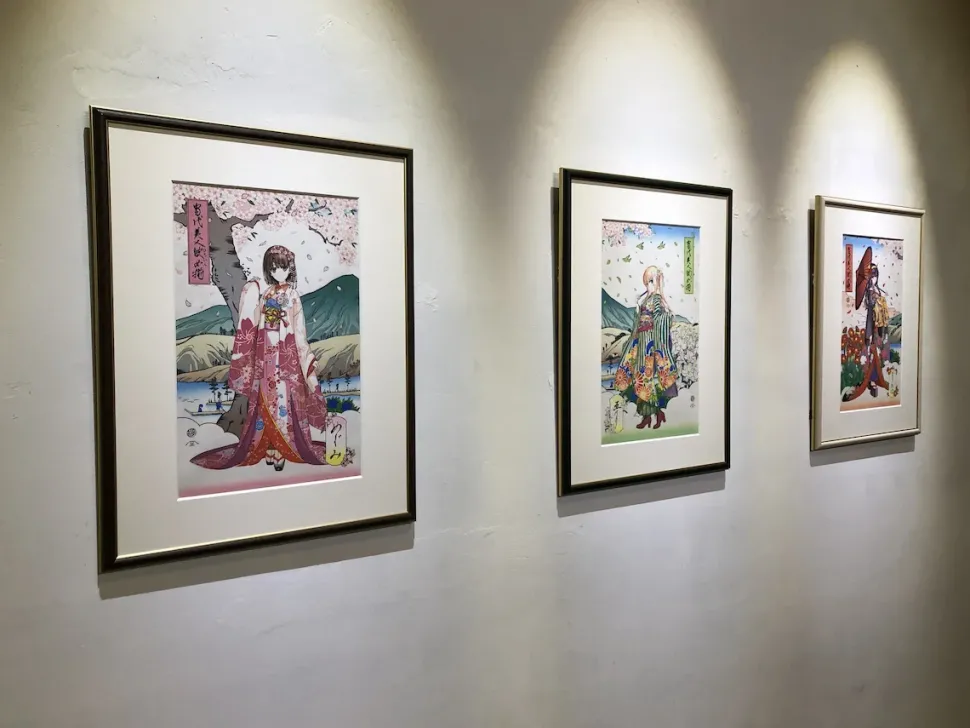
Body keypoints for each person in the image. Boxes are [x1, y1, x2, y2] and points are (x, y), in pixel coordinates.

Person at [191, 245, 329, 472]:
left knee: (285, 401)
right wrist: (251, 293)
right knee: (265, 402)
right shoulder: (266, 294)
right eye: (273, 268)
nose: (278, 272)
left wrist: (304, 355)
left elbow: (299, 329)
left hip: (287, 356)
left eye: (282, 267)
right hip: (265, 355)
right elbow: (255, 323)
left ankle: (284, 448)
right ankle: (269, 446)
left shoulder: (293, 295)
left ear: (290, 268)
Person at [612, 266, 679, 430]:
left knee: (646, 377)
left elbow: (661, 319)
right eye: (647, 282)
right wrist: (638, 312)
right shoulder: (646, 299)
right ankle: (648, 416)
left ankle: (655, 415)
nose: (648, 286)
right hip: (641, 341)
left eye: (650, 282)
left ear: (656, 281)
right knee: (639, 377)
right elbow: (640, 320)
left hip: (651, 343)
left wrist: (664, 317)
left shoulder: (656, 299)